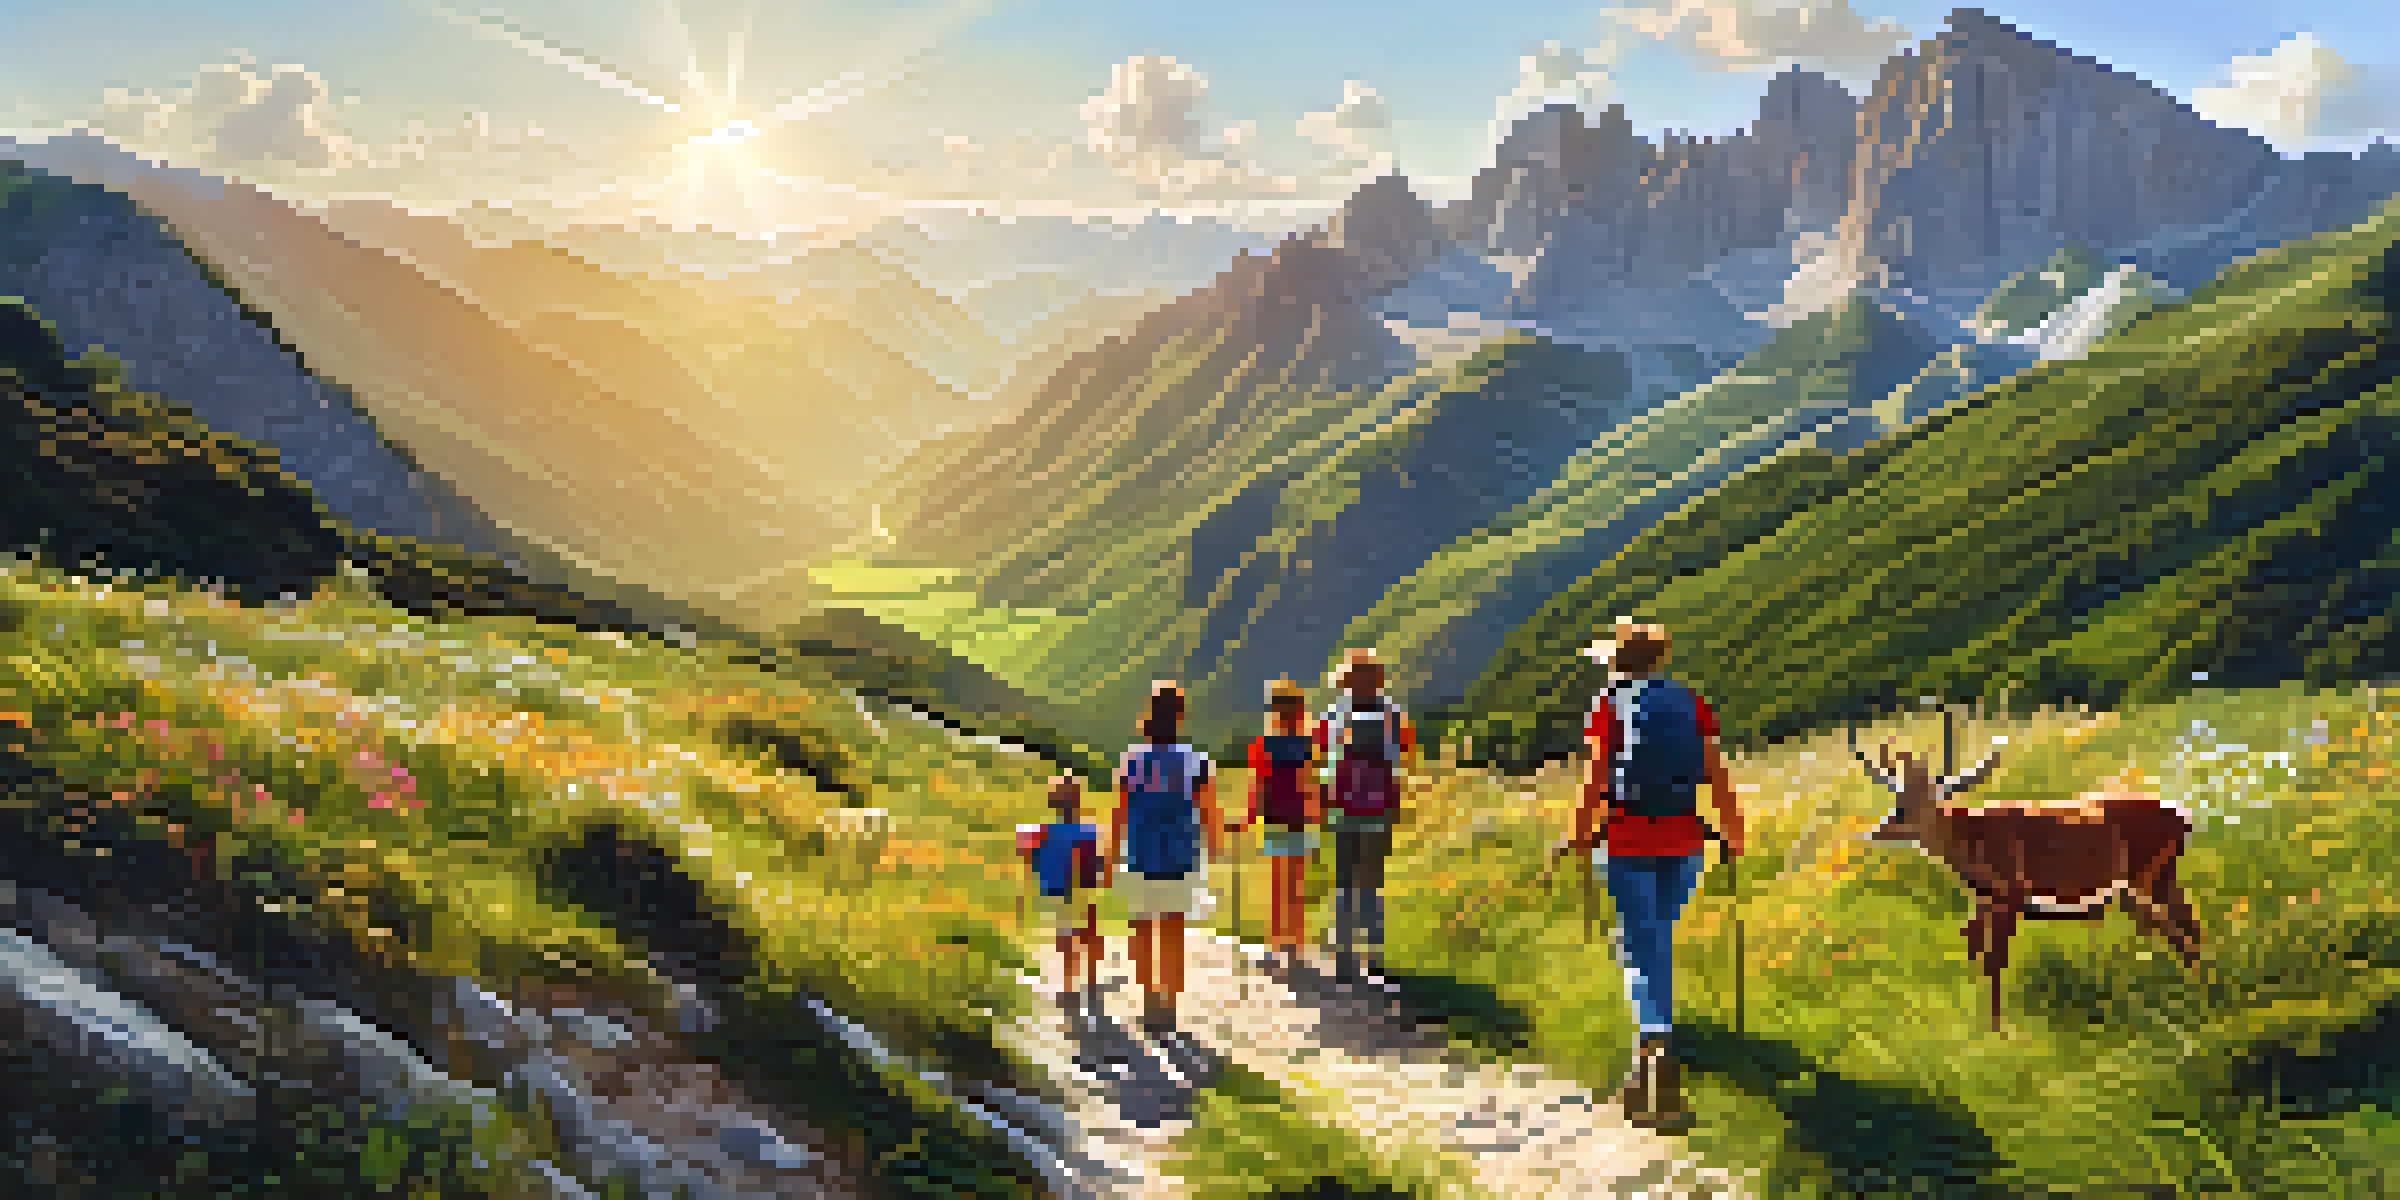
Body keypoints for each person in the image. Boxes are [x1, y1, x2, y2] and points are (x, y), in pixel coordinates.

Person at [1567, 620, 1745, 1131]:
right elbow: (1716, 773)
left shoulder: (1609, 703)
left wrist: (1582, 834)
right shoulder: (1691, 703)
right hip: (1686, 842)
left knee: (1640, 948)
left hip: (1625, 841)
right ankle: (1640, 1073)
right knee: (1655, 941)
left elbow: (1597, 777)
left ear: (1616, 661)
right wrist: (1733, 833)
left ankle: (1656, 1057)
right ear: (1661, 659)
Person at [1107, 681, 1222, 1034]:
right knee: (1172, 930)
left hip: (1140, 853)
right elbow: (1207, 810)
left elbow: (1120, 812)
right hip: (1179, 854)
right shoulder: (1196, 762)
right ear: (1180, 718)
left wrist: (1112, 852)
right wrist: (1215, 845)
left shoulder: (1132, 761)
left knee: (1142, 929)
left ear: (1149, 717)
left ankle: (1148, 998)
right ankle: (1169, 1005)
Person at [1316, 648, 1416, 982]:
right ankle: (1374, 958)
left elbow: (1325, 763)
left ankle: (1343, 957)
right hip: (1378, 807)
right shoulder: (1393, 714)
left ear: (1345, 681)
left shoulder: (1333, 715)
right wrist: (1395, 802)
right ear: (1378, 679)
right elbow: (1399, 762)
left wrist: (1324, 801)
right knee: (1372, 882)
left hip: (1342, 807)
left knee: (1344, 880)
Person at [1243, 678, 1325, 978]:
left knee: (1279, 887)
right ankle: (1297, 950)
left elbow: (1259, 786)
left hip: (1276, 819)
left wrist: (1250, 818)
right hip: (1302, 819)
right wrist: (1316, 815)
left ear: (1274, 711)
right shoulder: (1308, 744)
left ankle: (1275, 949)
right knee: (1297, 889)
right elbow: (1311, 783)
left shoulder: (1263, 745)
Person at [1017, 775, 1104, 1026]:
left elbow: (1027, 851)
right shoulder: (1087, 829)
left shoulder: (1046, 830)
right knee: (1087, 937)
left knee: (1067, 942)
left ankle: (1069, 989)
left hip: (1059, 891)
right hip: (1082, 891)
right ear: (1078, 802)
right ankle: (1089, 982)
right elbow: (1094, 863)